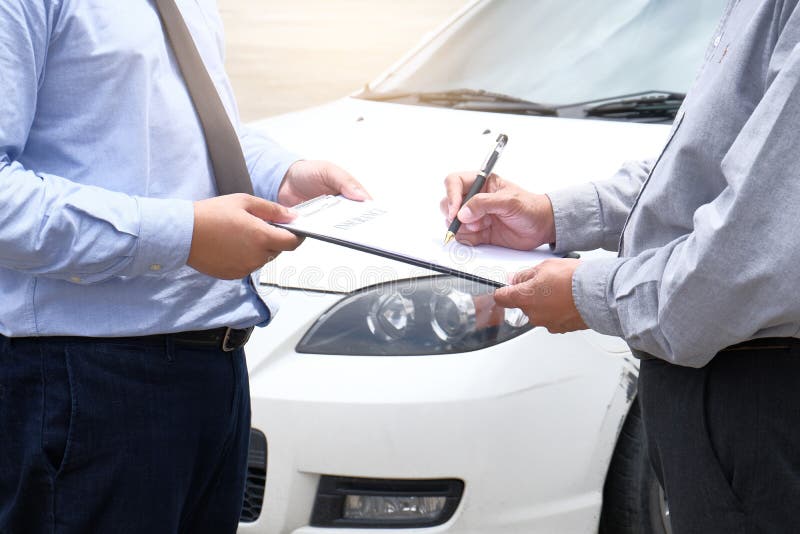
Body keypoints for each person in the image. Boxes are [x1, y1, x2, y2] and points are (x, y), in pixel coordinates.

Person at [0, 2, 368, 533]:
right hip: (89, 381)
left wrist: (281, 175)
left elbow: (186, 133)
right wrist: (185, 235)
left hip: (214, 371)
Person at [442, 1, 800, 532]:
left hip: (757, 391)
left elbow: (744, 260)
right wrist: (553, 215)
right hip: (729, 387)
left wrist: (588, 294)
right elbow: (704, 168)